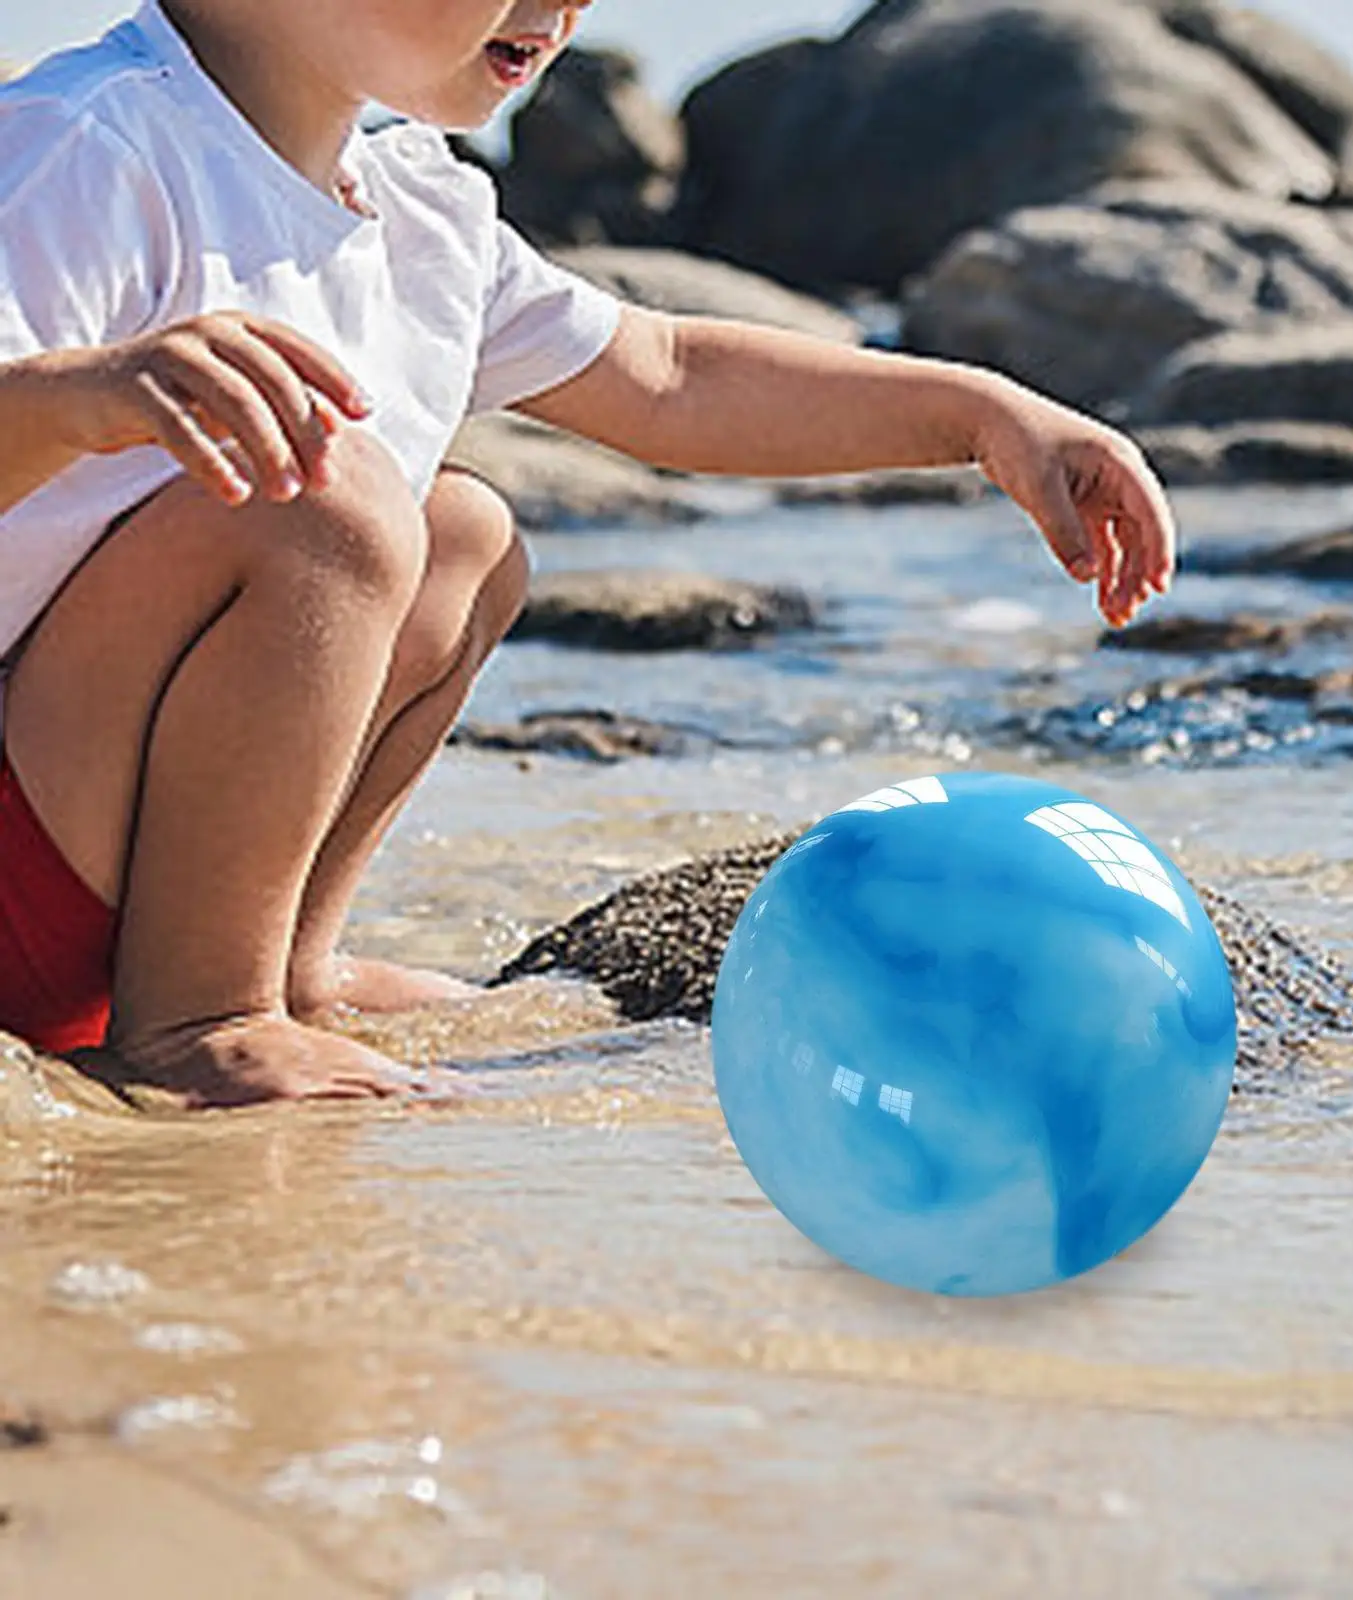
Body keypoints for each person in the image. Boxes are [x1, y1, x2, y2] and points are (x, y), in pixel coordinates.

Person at [0, 1, 1176, 1107]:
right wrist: (77, 395)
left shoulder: (414, 208)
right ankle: (200, 1016)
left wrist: (977, 415)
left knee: (464, 536)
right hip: (19, 862)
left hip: (91, 881)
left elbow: (668, 376)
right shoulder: (94, 148)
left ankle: (275, 961)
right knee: (332, 499)